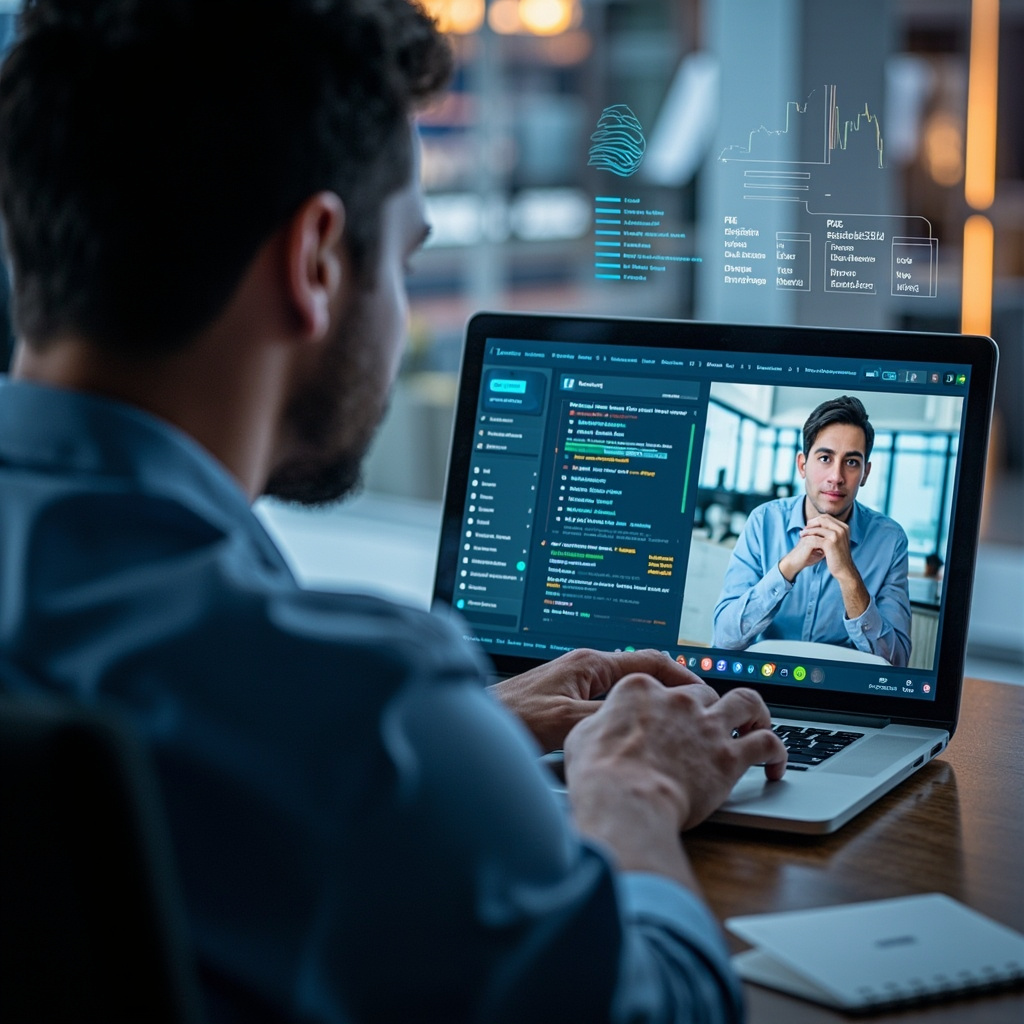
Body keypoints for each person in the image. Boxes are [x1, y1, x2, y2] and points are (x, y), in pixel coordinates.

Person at [0, 2, 787, 1022]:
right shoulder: (362, 716)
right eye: (408, 255)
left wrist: (471, 738)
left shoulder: (327, 724)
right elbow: (661, 1010)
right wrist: (631, 793)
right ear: (318, 259)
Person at [712, 396, 912, 666]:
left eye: (851, 462)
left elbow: (896, 662)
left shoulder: (891, 541)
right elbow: (724, 639)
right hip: (765, 684)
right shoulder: (762, 522)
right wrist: (787, 568)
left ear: (865, 473)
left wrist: (848, 576)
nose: (836, 477)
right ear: (802, 465)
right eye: (825, 458)